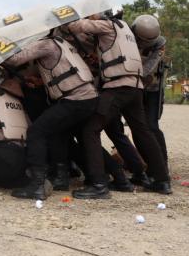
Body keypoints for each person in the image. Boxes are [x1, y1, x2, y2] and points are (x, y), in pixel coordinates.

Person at [67, 12, 171, 198]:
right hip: (136, 88)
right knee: (143, 131)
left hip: (118, 87)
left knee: (90, 130)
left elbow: (76, 26)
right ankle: (162, 181)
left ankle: (99, 184)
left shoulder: (107, 24)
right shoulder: (125, 30)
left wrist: (77, 17)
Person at [3, 33, 102, 200]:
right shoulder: (62, 42)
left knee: (36, 132)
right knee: (58, 132)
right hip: (88, 97)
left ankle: (37, 185)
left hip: (75, 99)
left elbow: (15, 59)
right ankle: (62, 178)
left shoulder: (46, 44)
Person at [131, 14, 169, 163]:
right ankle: (144, 160)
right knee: (138, 127)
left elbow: (148, 69)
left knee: (152, 125)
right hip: (135, 88)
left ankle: (162, 162)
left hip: (153, 90)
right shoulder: (127, 37)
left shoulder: (159, 43)